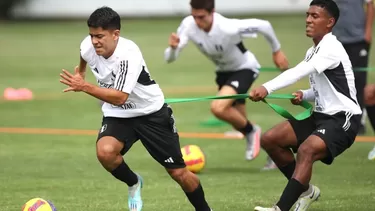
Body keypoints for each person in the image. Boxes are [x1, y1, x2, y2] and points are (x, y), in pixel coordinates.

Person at [59, 6, 212, 211]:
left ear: (116, 34)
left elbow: (120, 97)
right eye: (92, 35)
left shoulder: (128, 54)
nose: (94, 41)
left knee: (179, 173)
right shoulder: (88, 46)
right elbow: (84, 55)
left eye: (100, 36)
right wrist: (83, 74)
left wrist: (84, 86)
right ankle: (134, 183)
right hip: (119, 114)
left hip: (151, 114)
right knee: (105, 153)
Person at [249, 0, 362, 210]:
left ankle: (281, 208)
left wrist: (266, 88)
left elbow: (297, 72)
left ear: (330, 22)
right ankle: (307, 191)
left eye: (315, 16)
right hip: (321, 116)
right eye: (308, 15)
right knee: (271, 140)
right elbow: (327, 88)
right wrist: (305, 94)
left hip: (343, 118)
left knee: (306, 150)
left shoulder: (330, 47)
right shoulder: (314, 50)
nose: (308, 20)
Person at [164, 0, 289, 165]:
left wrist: (276, 51)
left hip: (245, 68)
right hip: (223, 74)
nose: (197, 22)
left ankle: (253, 131)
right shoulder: (188, 25)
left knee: (218, 108)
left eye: (201, 17)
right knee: (240, 122)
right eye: (194, 16)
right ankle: (274, 152)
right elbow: (169, 59)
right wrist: (173, 48)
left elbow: (264, 25)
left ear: (212, 12)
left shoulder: (227, 27)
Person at [332, 0, 374, 135]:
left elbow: (370, 5)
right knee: (337, 81)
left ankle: (358, 120)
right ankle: (340, 119)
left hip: (358, 38)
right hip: (336, 39)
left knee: (359, 81)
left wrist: (367, 32)